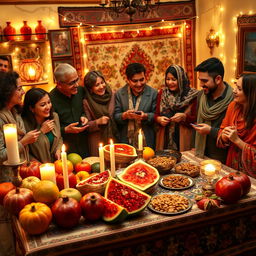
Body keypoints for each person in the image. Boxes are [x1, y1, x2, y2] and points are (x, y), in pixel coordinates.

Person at [0, 71, 40, 256]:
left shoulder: (15, 112)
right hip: (4, 181)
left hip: (19, 173)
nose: (22, 91)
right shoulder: (0, 117)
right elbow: (0, 154)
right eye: (18, 88)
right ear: (7, 91)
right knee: (6, 225)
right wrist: (23, 142)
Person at [193, 57, 233, 163]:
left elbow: (233, 133)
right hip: (201, 153)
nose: (201, 85)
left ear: (218, 79)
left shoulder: (234, 100)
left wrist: (211, 131)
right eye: (200, 80)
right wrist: (194, 146)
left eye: (204, 81)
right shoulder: (201, 95)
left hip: (222, 157)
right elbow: (197, 122)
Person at [217, 73, 256, 177]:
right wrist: (224, 137)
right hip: (232, 167)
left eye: (239, 89)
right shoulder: (233, 106)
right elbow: (221, 131)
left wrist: (237, 141)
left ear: (251, 93)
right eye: (235, 86)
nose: (234, 91)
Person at [155, 65, 198, 151]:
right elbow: (156, 114)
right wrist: (159, 119)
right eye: (168, 79)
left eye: (174, 79)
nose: (170, 82)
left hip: (184, 138)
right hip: (165, 139)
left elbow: (196, 120)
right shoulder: (162, 93)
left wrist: (184, 117)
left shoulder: (193, 95)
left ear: (181, 79)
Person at [114, 63, 157, 149]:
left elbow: (156, 115)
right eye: (135, 81)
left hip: (147, 139)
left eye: (142, 79)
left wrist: (145, 116)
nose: (139, 84)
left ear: (145, 77)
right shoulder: (120, 94)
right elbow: (116, 116)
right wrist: (125, 115)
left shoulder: (153, 93)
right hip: (126, 140)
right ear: (128, 80)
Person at [50, 63, 89, 158]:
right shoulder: (50, 99)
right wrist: (65, 130)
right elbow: (49, 129)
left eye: (77, 80)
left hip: (85, 144)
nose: (77, 85)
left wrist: (84, 116)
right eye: (72, 83)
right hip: (65, 148)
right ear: (59, 84)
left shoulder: (81, 91)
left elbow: (86, 108)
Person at [22, 88, 63, 163]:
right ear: (32, 108)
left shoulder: (54, 116)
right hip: (36, 168)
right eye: (43, 105)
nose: (48, 107)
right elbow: (28, 150)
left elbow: (59, 138)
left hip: (57, 165)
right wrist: (41, 132)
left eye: (49, 102)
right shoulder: (24, 124)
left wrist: (58, 149)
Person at [83, 71, 119, 156]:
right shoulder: (87, 102)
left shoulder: (113, 95)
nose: (101, 86)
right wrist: (98, 122)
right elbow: (86, 126)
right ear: (90, 89)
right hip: (97, 140)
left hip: (114, 136)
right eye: (97, 85)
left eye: (102, 83)